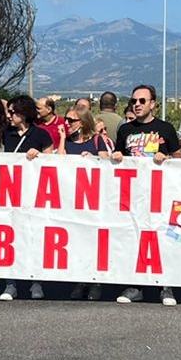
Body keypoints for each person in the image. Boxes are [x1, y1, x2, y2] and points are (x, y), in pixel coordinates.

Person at [112, 85, 180, 306]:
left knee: (161, 238)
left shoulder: (166, 129)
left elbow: (180, 160)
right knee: (134, 237)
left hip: (160, 195)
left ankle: (165, 285)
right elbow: (119, 155)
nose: (137, 105)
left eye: (142, 101)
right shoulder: (125, 130)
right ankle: (136, 285)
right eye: (134, 101)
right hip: (133, 196)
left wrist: (167, 156)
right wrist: (116, 156)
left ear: (153, 104)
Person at [0, 95, 54, 301]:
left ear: (24, 113)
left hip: (35, 195)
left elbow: (53, 161)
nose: (9, 116)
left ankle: (35, 282)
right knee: (10, 236)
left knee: (33, 237)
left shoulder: (41, 135)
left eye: (13, 112)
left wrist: (39, 156)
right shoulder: (7, 133)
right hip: (11, 194)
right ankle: (11, 283)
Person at [61, 106, 112, 302]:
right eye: (66, 119)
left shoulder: (97, 140)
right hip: (73, 201)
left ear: (82, 122)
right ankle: (80, 280)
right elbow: (58, 161)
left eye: (71, 120)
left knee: (94, 241)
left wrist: (93, 160)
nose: (67, 123)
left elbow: (107, 164)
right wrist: (63, 139)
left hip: (95, 200)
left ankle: (96, 282)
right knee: (78, 241)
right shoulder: (68, 142)